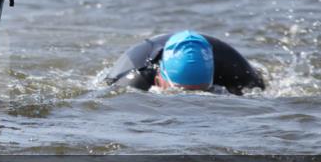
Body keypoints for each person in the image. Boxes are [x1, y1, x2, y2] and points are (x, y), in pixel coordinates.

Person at [106, 30, 265, 95]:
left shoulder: (236, 69)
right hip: (146, 52)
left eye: (203, 90)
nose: (193, 97)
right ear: (159, 78)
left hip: (218, 52)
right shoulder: (131, 78)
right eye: (180, 91)